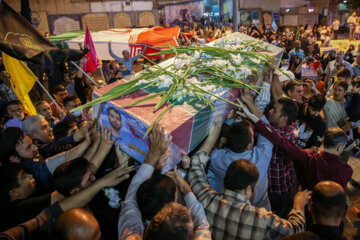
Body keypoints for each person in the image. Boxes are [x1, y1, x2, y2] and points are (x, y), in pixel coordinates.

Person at [188, 117, 308, 239]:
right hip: (263, 206)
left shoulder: (209, 197)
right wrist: (299, 202)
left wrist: (214, 136)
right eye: (255, 186)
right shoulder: (264, 221)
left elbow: (195, 165)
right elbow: (296, 230)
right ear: (248, 190)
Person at [118, 123, 211, 240]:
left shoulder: (132, 235)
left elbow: (130, 202)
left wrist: (154, 153)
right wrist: (186, 188)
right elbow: (203, 225)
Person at [239, 104, 353, 191]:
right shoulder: (347, 170)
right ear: (339, 148)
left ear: (322, 142)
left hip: (306, 205)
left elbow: (280, 141)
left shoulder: (309, 158)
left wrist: (255, 120)